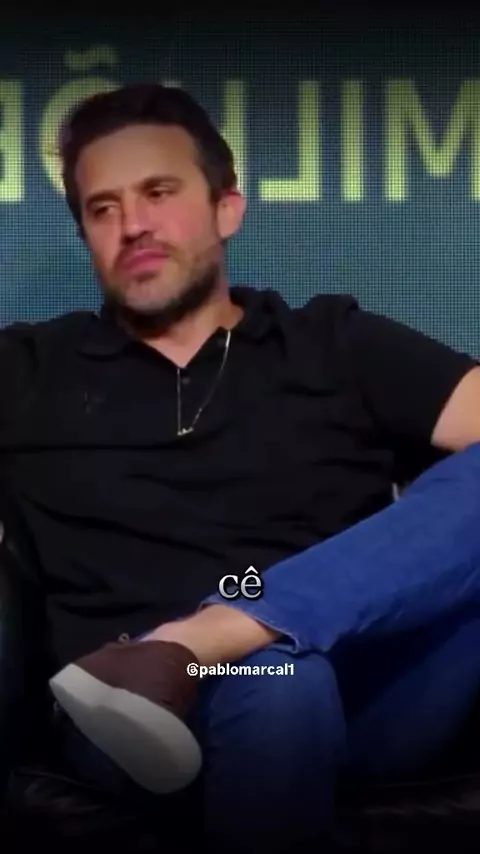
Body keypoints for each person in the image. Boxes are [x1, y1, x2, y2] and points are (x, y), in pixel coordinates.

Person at [2, 82, 480, 852]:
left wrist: (231, 637)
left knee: (286, 670)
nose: (133, 225)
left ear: (227, 207)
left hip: (364, 696)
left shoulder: (332, 343)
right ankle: (206, 651)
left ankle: (203, 638)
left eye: (159, 192)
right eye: (103, 208)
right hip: (129, 720)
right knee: (280, 682)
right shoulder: (29, 371)